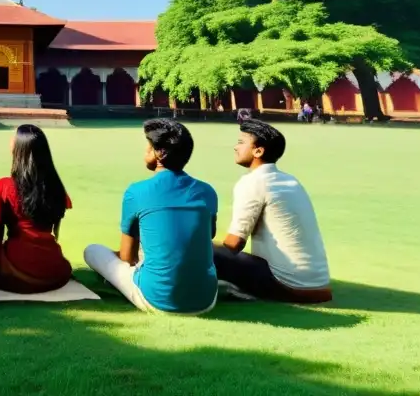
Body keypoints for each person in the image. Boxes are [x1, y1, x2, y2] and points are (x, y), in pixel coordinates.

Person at [84, 118, 218, 314]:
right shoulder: (207, 191)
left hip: (156, 298)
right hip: (206, 299)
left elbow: (127, 257)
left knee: (93, 251)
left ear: (159, 153)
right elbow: (207, 238)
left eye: (148, 147)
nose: (145, 152)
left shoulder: (137, 191)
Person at [213, 119, 332, 303]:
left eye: (241, 143)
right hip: (318, 285)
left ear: (258, 151)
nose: (236, 148)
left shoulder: (253, 182)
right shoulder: (291, 180)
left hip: (286, 285)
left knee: (199, 249)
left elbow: (234, 244)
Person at [0, 124, 73, 293]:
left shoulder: (4, 186)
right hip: (55, 271)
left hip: (18, 268)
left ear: (19, 148)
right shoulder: (56, 186)